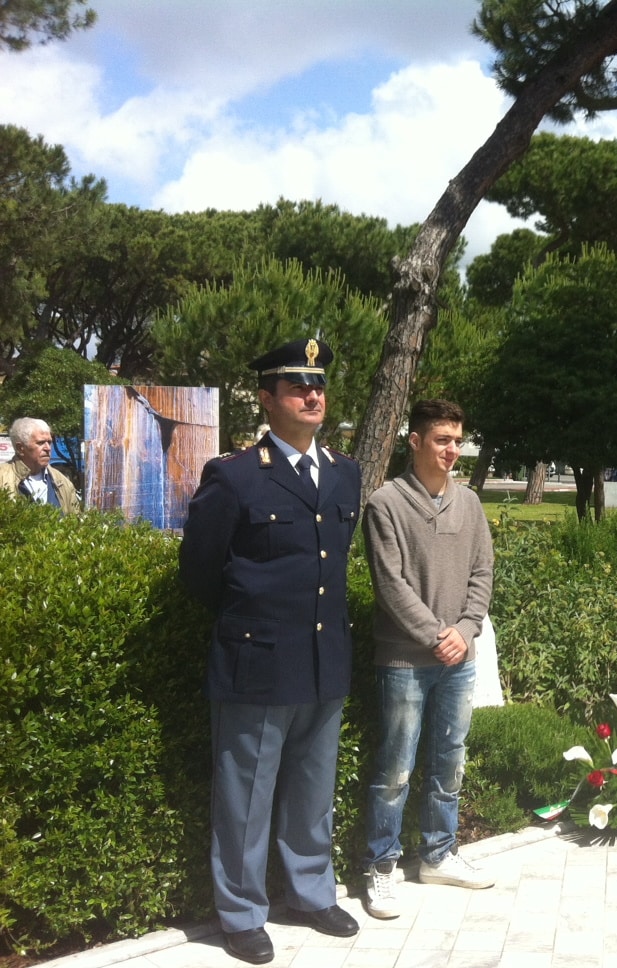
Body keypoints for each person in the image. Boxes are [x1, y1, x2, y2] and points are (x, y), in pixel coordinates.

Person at [179, 338, 361, 965]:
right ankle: (241, 912)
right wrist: (250, 626)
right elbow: (200, 572)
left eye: (317, 385)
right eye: (295, 387)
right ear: (267, 398)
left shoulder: (345, 471)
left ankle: (311, 894)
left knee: (314, 790)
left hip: (324, 659)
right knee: (246, 798)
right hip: (256, 662)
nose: (313, 396)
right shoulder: (232, 476)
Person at [360, 399, 495, 920]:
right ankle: (381, 865)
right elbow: (389, 584)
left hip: (458, 658)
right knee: (395, 766)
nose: (452, 450)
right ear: (414, 441)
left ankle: (438, 854)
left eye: (457, 441)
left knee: (449, 759)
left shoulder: (471, 504)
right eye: (442, 440)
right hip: (405, 661)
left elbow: (482, 573)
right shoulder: (385, 503)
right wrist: (436, 635)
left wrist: (463, 632)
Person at [0, 417, 80, 512]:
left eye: (49, 442)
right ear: (20, 448)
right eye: (41, 443)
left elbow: (75, 521)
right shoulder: (3, 478)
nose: (48, 448)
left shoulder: (62, 482)